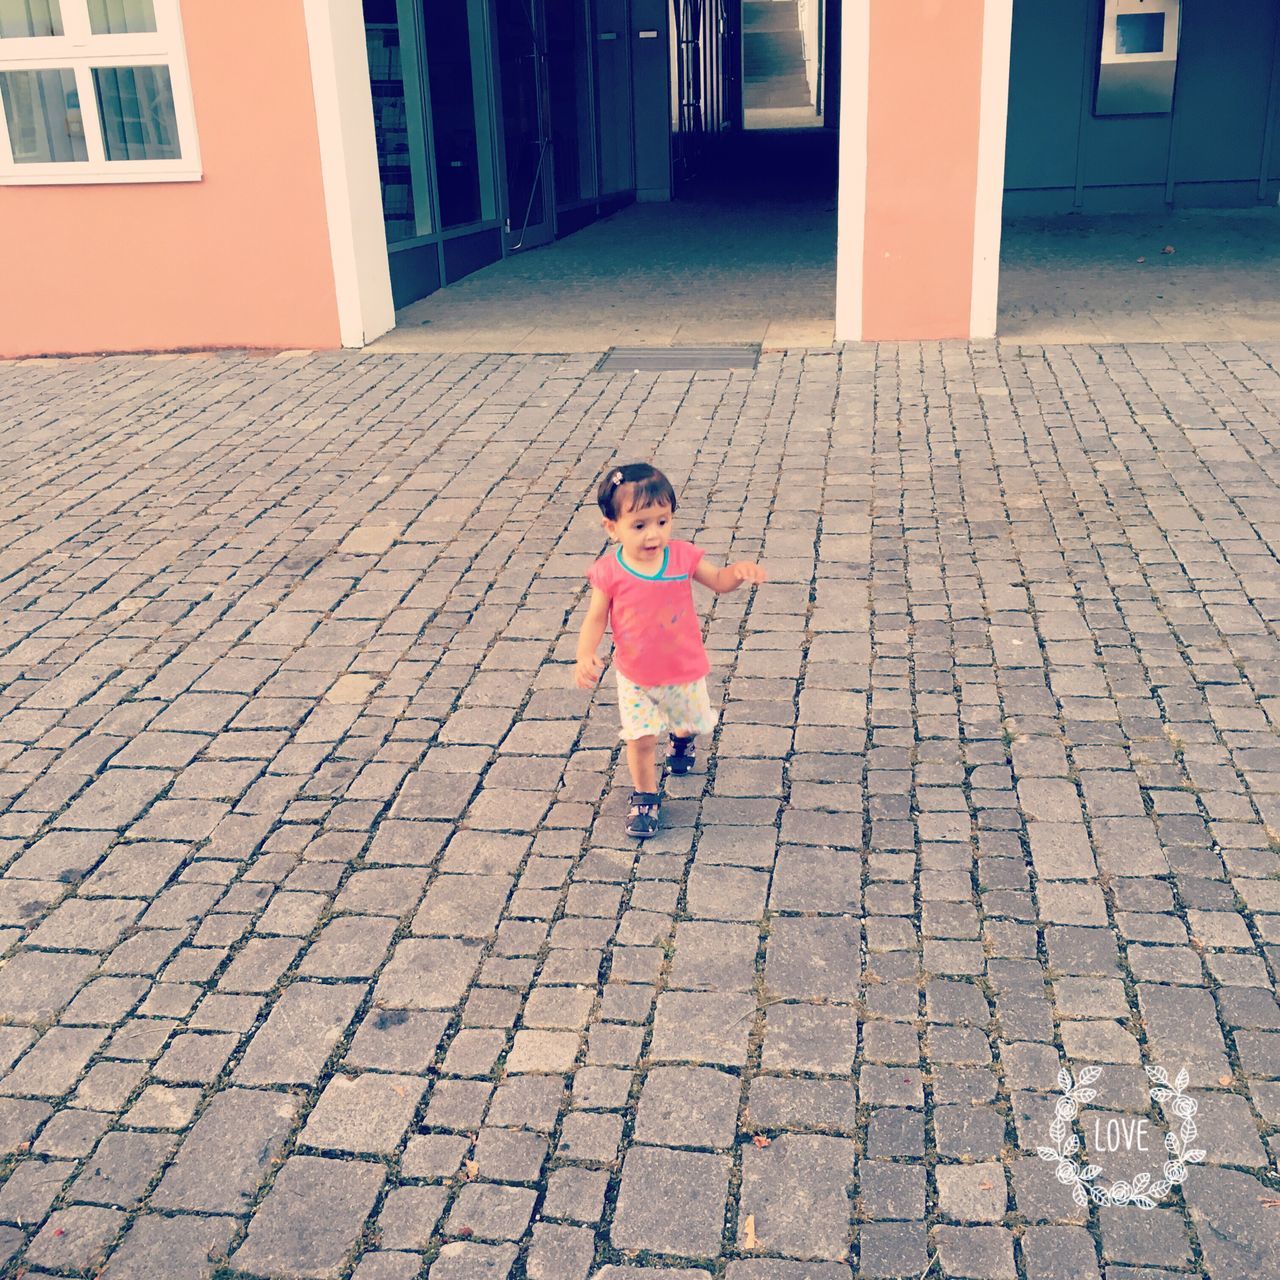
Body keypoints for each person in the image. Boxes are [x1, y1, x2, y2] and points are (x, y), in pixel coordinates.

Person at [575, 462, 767, 839]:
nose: (654, 534)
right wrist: (586, 653)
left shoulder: (681, 557)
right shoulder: (610, 571)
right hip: (636, 675)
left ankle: (682, 738)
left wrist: (737, 573)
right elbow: (596, 618)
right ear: (612, 528)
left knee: (688, 721)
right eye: (640, 525)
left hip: (682, 670)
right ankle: (646, 796)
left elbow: (717, 581)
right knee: (641, 739)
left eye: (663, 522)